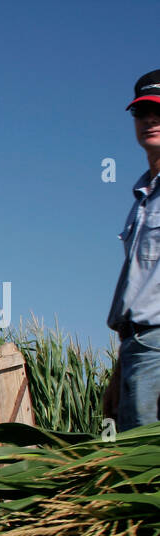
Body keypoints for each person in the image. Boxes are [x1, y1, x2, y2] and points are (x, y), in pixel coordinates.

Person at [104, 69, 160, 431]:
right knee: (133, 470)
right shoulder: (141, 198)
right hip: (136, 347)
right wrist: (120, 368)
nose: (150, 119)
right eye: (141, 113)